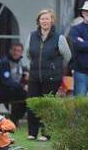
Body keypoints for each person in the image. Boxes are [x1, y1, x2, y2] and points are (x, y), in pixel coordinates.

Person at [24, 8, 71, 141]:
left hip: (51, 78)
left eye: (47, 18)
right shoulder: (32, 36)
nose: (44, 21)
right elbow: (28, 54)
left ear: (52, 21)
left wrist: (55, 68)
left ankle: (46, 133)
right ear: (38, 21)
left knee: (47, 105)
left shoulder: (59, 37)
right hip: (34, 76)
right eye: (42, 18)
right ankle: (32, 133)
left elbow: (67, 56)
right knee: (32, 104)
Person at [0, 43, 28, 126]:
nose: (16, 53)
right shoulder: (5, 62)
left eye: (19, 51)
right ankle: (13, 120)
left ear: (21, 52)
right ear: (10, 51)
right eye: (14, 50)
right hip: (2, 91)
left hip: (14, 90)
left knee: (29, 96)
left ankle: (14, 118)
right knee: (25, 95)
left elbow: (17, 74)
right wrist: (23, 87)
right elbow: (7, 81)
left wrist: (25, 73)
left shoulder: (20, 62)